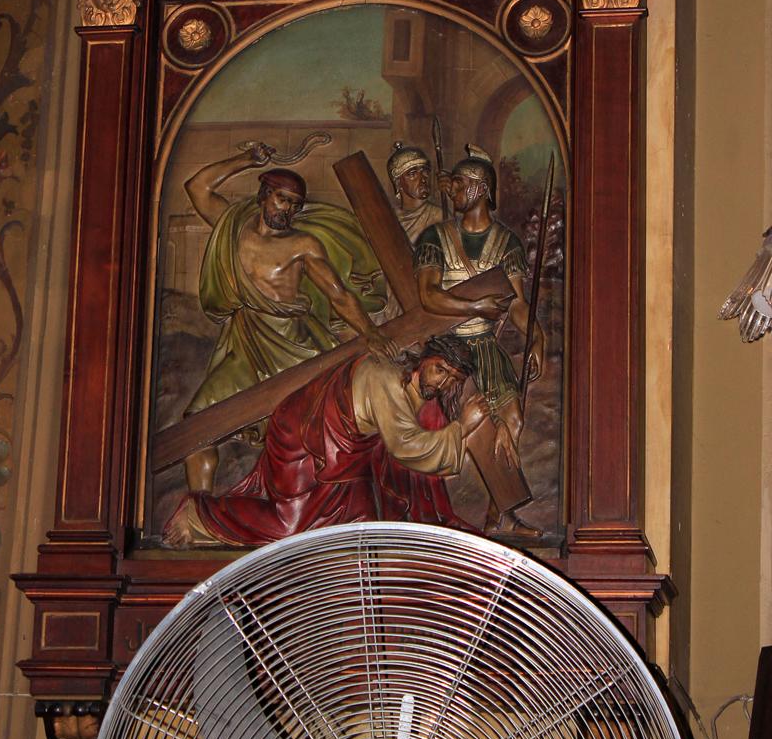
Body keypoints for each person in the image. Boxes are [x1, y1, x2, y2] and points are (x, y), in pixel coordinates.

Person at [181, 142, 393, 493]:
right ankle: (199, 510)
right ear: (263, 195)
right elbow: (197, 187)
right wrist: (245, 159)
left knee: (323, 430)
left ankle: (333, 505)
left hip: (293, 348)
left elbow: (338, 293)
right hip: (246, 346)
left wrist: (369, 331)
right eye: (282, 200)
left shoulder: (302, 244)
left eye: (295, 204)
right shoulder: (232, 225)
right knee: (197, 428)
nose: (288, 210)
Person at [163, 335, 488, 547]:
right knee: (290, 525)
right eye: (440, 370)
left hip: (346, 455)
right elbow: (406, 446)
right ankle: (200, 513)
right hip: (304, 439)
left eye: (453, 379)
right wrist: (461, 427)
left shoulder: (414, 388)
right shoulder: (387, 379)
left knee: (362, 526)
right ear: (425, 359)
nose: (443, 382)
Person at [414, 145, 544, 539]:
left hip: (486, 348)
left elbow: (517, 303)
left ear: (481, 188)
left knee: (513, 420)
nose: (451, 190)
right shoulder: (436, 237)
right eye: (453, 184)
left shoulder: (506, 243)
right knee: (471, 427)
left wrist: (536, 336)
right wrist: (475, 305)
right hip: (449, 351)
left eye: (459, 184)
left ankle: (499, 517)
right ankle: (447, 515)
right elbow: (429, 295)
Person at [378, 142, 444, 322]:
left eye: (425, 171)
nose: (422, 178)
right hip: (390, 298)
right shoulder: (388, 220)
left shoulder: (439, 216)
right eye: (412, 173)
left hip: (423, 299)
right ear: (398, 182)